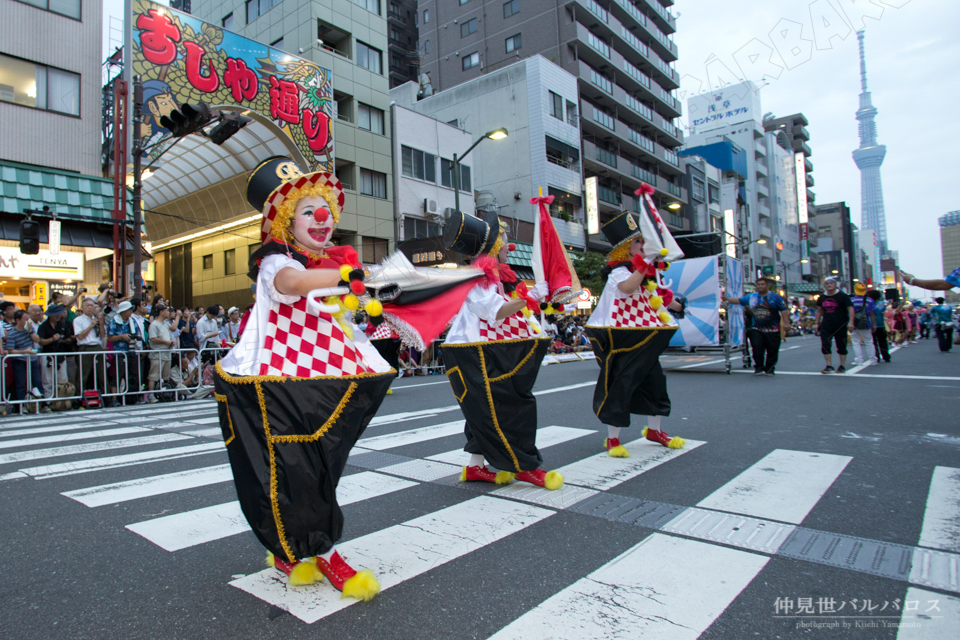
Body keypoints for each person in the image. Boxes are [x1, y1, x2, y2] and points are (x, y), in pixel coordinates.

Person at [214, 157, 398, 598]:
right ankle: (320, 550)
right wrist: (351, 274)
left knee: (319, 465)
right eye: (307, 210)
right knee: (296, 469)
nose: (322, 218)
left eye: (326, 210)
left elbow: (341, 314)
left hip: (324, 380)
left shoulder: (327, 264)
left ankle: (295, 548)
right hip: (280, 385)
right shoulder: (277, 260)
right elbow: (293, 283)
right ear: (285, 221)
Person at [441, 209, 562, 489]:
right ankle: (524, 466)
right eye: (505, 239)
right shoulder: (478, 276)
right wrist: (530, 296)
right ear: (493, 246)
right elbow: (495, 313)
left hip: (477, 351)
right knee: (510, 407)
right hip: (474, 353)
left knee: (482, 410)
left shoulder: (494, 276)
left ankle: (475, 467)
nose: (510, 245)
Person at [585, 196, 685, 457]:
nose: (643, 244)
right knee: (621, 384)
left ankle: (655, 430)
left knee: (655, 383)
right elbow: (627, 288)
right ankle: (613, 439)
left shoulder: (646, 273)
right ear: (627, 248)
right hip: (622, 339)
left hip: (647, 337)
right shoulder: (619, 271)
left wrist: (678, 305)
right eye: (638, 241)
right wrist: (645, 265)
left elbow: (663, 298)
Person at [724, 276, 789, 376]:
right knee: (757, 347)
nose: (760, 286)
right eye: (758, 285)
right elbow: (739, 301)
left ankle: (770, 368)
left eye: (762, 284)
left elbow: (784, 310)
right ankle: (759, 367)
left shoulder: (775, 297)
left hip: (772, 329)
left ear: (767, 286)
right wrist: (727, 298)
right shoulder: (751, 297)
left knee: (772, 349)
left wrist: (786, 323)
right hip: (756, 328)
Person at [6, 309, 45, 412]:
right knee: (20, 383)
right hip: (19, 361)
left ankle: (41, 405)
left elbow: (38, 340)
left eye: (28, 319)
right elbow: (10, 350)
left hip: (32, 360)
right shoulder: (12, 334)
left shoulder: (30, 328)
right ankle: (21, 406)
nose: (28, 321)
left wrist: (30, 331)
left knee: (37, 382)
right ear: (18, 320)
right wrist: (25, 351)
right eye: (25, 319)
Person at [815, 278, 855, 374]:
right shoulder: (822, 297)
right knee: (825, 344)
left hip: (841, 324)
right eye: (827, 284)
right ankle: (829, 365)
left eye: (831, 283)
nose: (829, 285)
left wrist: (851, 322)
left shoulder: (843, 296)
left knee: (841, 345)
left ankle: (842, 365)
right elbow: (819, 311)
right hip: (826, 324)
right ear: (824, 286)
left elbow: (851, 309)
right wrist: (817, 323)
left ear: (835, 285)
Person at [36, 304, 75, 401]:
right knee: (47, 380)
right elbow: (40, 341)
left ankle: (62, 401)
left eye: (59, 313)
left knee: (62, 379)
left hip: (60, 355)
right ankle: (48, 401)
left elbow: (69, 337)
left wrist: (67, 340)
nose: (58, 316)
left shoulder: (63, 324)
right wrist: (52, 339)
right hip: (47, 354)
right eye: (55, 314)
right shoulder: (43, 326)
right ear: (50, 315)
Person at [107, 301, 140, 404]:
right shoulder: (114, 321)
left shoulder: (132, 321)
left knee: (133, 375)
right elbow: (110, 338)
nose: (131, 311)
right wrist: (122, 336)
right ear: (123, 311)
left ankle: (132, 397)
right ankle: (114, 399)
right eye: (129, 310)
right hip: (120, 353)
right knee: (118, 375)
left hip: (131, 351)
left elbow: (137, 334)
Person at [73, 298, 107, 394]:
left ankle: (107, 397)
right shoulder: (78, 320)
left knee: (102, 373)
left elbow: (102, 335)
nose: (89, 307)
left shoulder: (96, 318)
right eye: (87, 305)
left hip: (97, 345)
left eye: (91, 305)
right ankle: (78, 398)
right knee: (83, 374)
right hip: (85, 347)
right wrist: (91, 325)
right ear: (82, 307)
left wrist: (100, 322)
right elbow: (80, 336)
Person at [146, 304, 175, 403]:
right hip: (157, 353)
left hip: (166, 353)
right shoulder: (154, 324)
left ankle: (163, 393)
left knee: (165, 376)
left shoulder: (166, 324)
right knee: (154, 375)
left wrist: (171, 342)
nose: (168, 313)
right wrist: (165, 342)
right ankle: (151, 395)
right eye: (166, 311)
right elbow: (153, 339)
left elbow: (170, 335)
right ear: (161, 312)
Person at [849, 283, 876, 366]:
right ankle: (873, 360)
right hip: (866, 323)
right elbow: (872, 313)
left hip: (854, 323)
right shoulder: (870, 300)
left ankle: (859, 360)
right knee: (869, 342)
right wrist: (874, 324)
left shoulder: (851, 300)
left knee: (856, 342)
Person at [866, 290, 891, 363]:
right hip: (881, 325)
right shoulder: (881, 304)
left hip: (871, 325)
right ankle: (886, 356)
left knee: (873, 342)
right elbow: (882, 310)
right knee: (883, 341)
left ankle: (876, 356)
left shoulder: (867, 303)